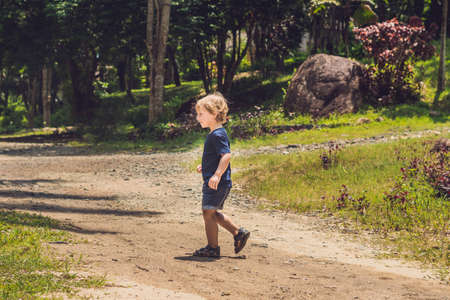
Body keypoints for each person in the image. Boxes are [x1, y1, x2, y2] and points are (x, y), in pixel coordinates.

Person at [193, 92, 250, 257]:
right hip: (216, 182)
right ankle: (238, 233)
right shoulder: (215, 133)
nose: (198, 118)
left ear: (215, 114)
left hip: (218, 182)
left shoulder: (217, 134)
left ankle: (212, 248)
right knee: (212, 212)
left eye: (201, 114)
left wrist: (217, 175)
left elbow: (226, 155)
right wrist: (205, 167)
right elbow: (216, 157)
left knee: (208, 212)